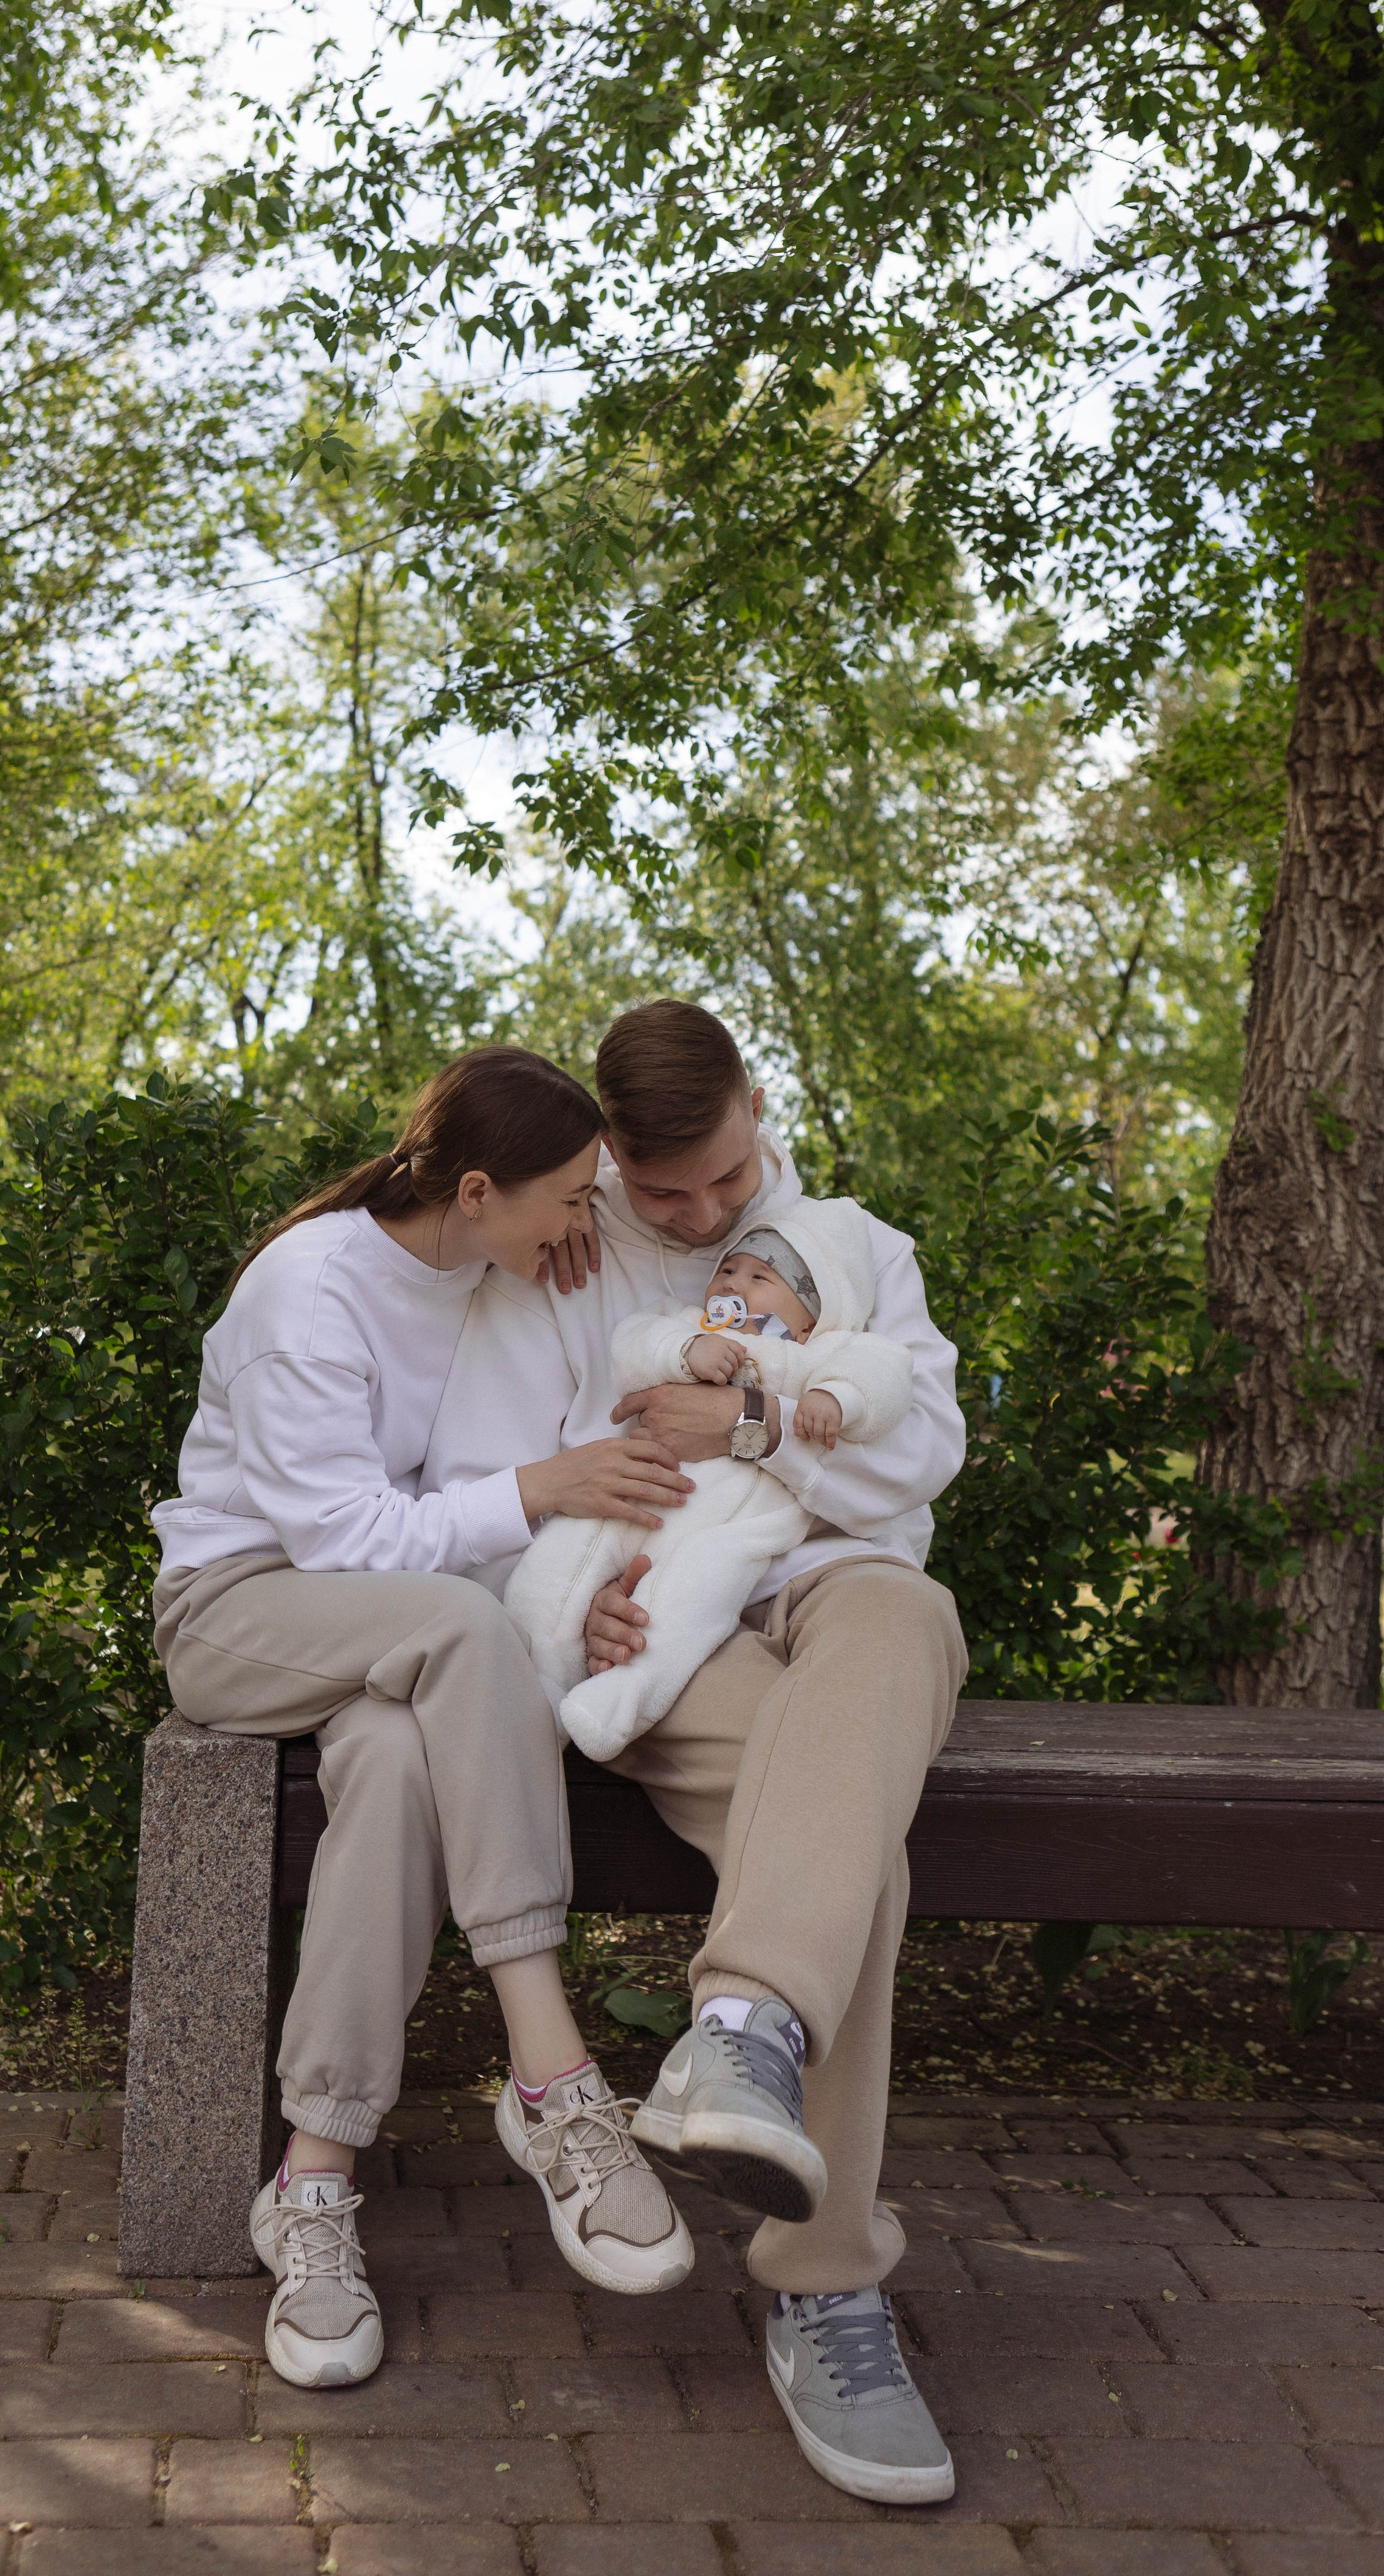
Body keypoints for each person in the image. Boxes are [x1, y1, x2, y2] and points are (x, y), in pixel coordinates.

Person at [426, 1001, 968, 2505]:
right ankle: (826, 2281)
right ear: (609, 1153)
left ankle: (738, 2037)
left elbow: (921, 1452)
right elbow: (478, 1472)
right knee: (852, 1856)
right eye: (663, 1193)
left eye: (726, 1175)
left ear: (755, 1107)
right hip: (662, 1629)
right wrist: (564, 1592)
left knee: (907, 1615)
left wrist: (746, 1430)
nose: (701, 1212)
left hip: (834, 1586)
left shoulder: (853, 1245)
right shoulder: (561, 1252)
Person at [148, 1046, 696, 2395]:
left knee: (396, 1767)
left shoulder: (483, 1263)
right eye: (570, 1196)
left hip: (372, 1636)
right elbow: (343, 1541)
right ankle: (552, 2072)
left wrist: (581, 1591)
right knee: (459, 1626)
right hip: (238, 1613)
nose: (585, 1220)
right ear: (476, 1189)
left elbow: (439, 1517)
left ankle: (312, 2179)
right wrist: (548, 1487)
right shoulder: (309, 1293)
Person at [505, 1197, 913, 1762]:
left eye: (760, 1278)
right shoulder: (687, 1323)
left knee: (691, 1601)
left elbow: (885, 1372)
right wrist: (685, 1351)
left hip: (730, 1526)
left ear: (810, 1317)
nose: (734, 1284)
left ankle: (626, 1697)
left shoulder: (819, 1352)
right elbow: (633, 1342)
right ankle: (536, 1686)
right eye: (728, 1269)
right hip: (637, 1490)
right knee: (556, 1562)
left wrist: (835, 1397)